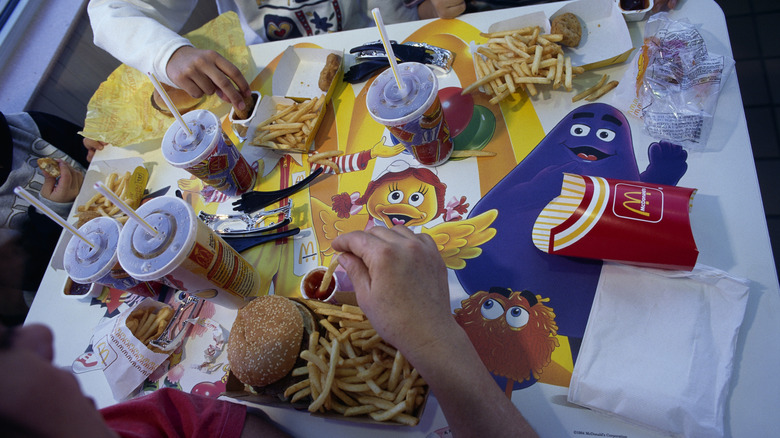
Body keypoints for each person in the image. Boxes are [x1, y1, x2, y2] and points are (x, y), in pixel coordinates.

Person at [3, 225, 537, 436]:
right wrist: (434, 340)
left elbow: (216, 422)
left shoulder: (128, 421)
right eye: (4, 343)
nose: (40, 335)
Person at [0, 111, 100, 324]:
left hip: (119, 219)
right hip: (69, 297)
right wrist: (52, 210)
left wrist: (93, 147)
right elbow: (30, 275)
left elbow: (82, 146)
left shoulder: (25, 125)